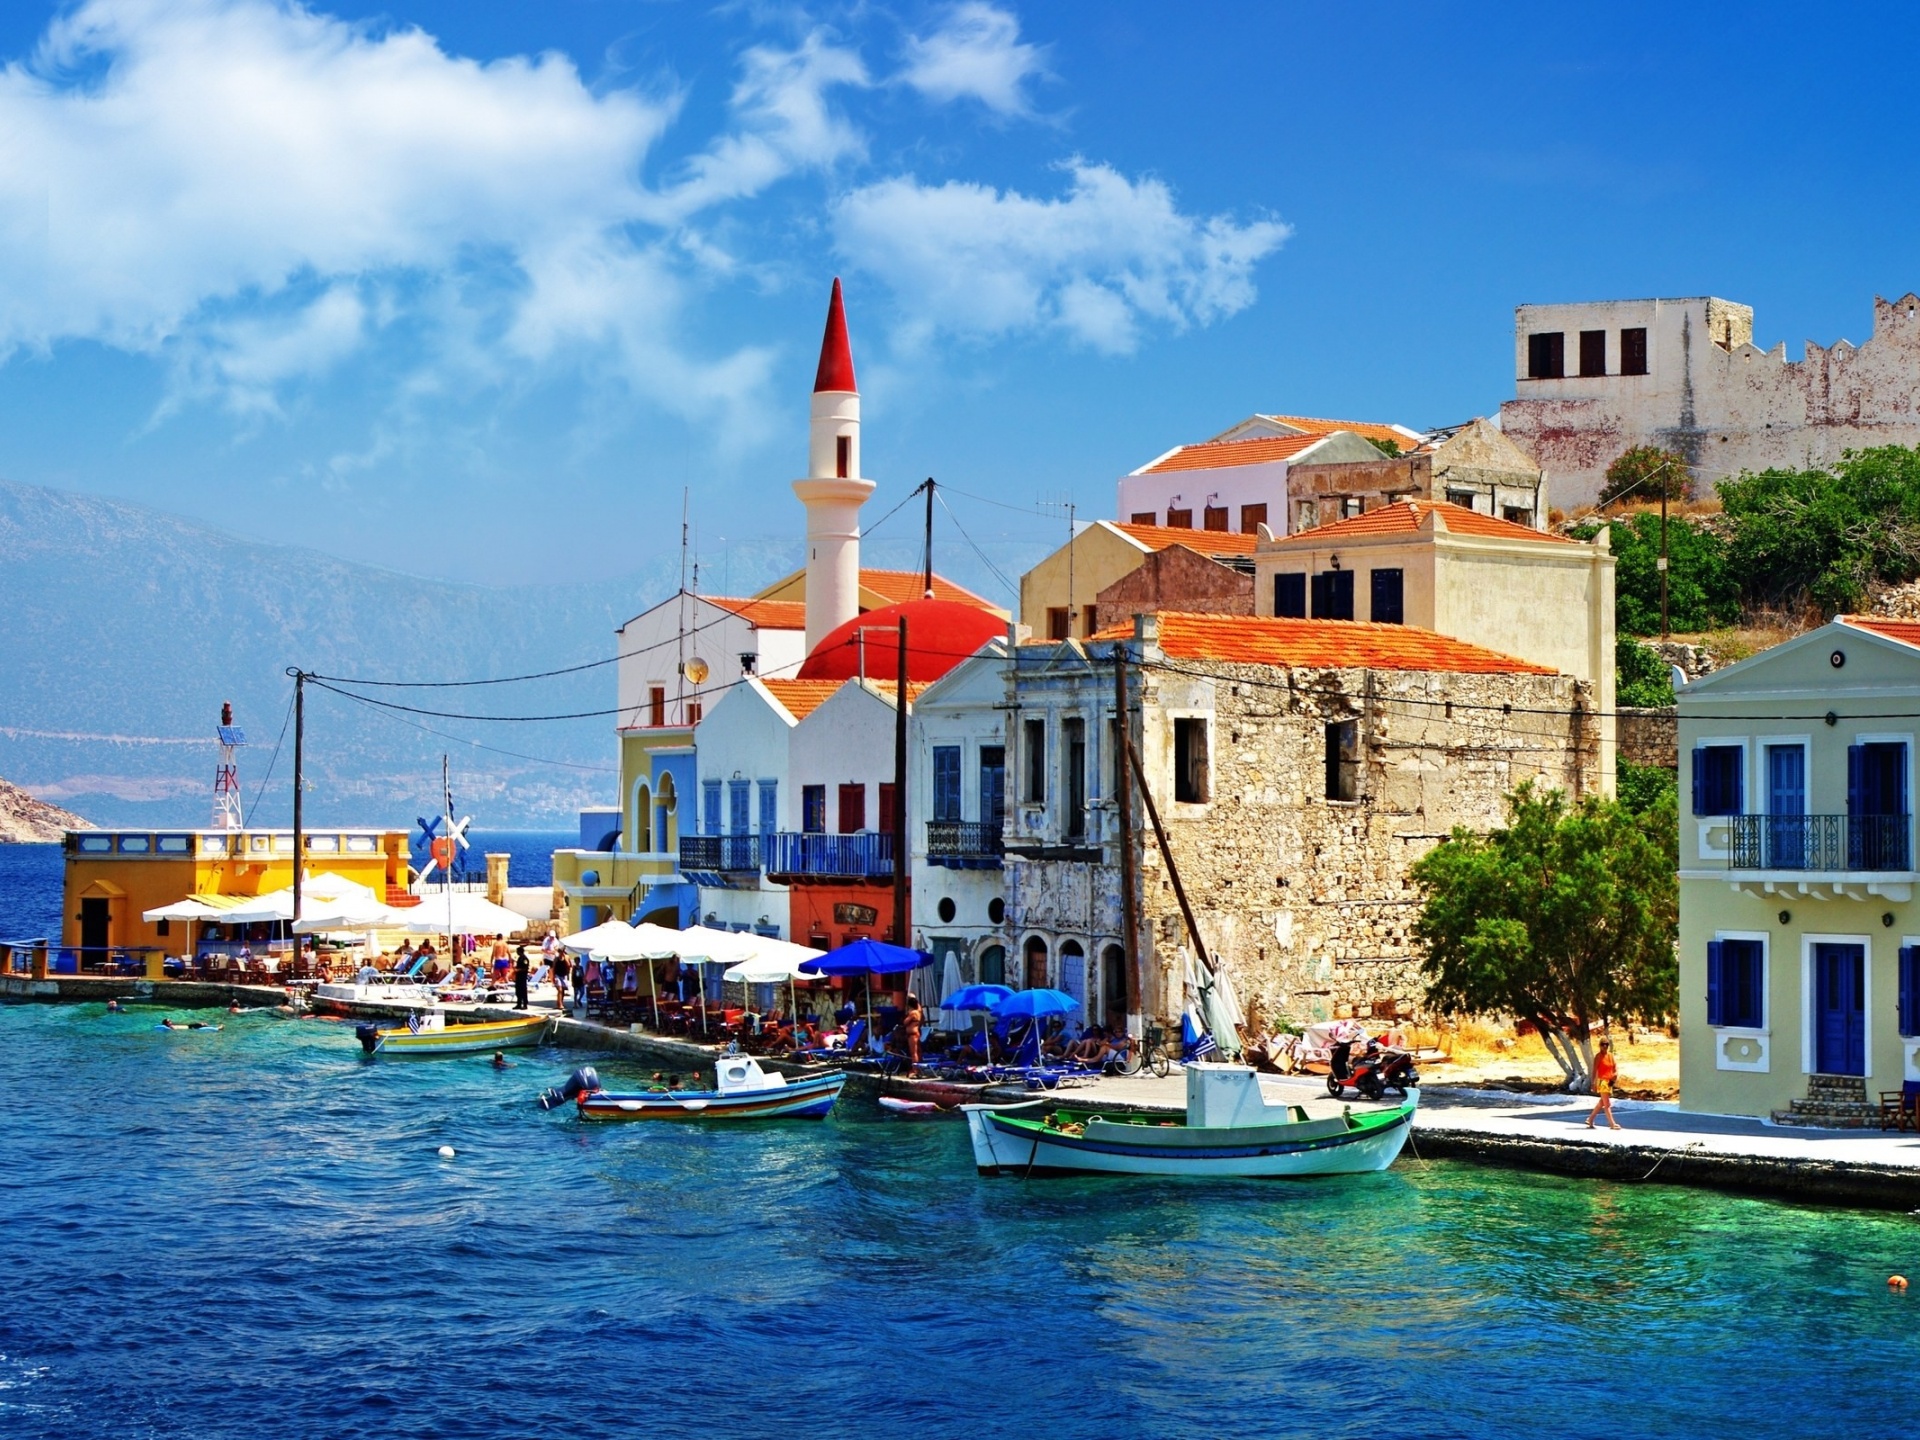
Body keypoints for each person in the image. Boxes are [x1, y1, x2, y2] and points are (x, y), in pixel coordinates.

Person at [1586, 1037, 1621, 1130]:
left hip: (1609, 1081)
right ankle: (1612, 1124)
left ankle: (1590, 1119)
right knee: (1607, 1104)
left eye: (1606, 1044)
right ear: (1600, 1046)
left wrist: (1615, 1073)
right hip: (1602, 1081)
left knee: (1602, 1102)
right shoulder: (1598, 1057)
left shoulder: (1610, 1055)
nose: (1605, 1046)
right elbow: (1594, 1071)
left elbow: (1615, 1066)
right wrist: (1593, 1083)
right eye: (1603, 1044)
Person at [513, 945, 530, 1011]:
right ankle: (519, 1003)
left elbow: (525, 968)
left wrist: (518, 970)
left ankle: (525, 1004)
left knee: (523, 990)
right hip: (518, 977)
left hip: (522, 977)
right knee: (518, 991)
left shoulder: (524, 959)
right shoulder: (519, 958)